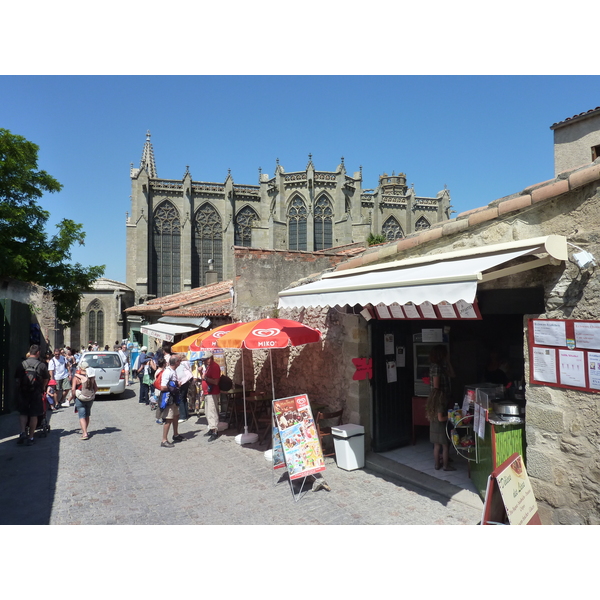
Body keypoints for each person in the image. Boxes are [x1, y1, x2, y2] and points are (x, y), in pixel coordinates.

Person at [426, 344, 456, 472]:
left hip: (444, 398)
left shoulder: (442, 366)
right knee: (444, 442)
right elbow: (437, 386)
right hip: (441, 399)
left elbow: (453, 375)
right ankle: (444, 464)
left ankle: (439, 463)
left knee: (437, 445)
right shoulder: (436, 368)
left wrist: (448, 362)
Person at [15, 344, 50, 446]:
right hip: (36, 392)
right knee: (34, 414)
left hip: (23, 392)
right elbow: (46, 379)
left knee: (23, 412)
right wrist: (42, 388)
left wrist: (20, 389)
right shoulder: (41, 365)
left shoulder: (22, 364)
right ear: (38, 353)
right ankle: (31, 437)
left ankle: (22, 432)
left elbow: (17, 379)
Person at [159, 355, 184, 447]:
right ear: (176, 362)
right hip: (169, 399)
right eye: (179, 361)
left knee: (176, 416)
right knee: (168, 419)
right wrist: (173, 388)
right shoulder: (167, 372)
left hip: (174, 398)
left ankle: (176, 434)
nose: (180, 362)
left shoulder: (173, 371)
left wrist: (177, 386)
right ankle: (164, 440)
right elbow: (163, 387)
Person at [71, 361, 98, 440]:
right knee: (87, 414)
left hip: (80, 398)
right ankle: (85, 430)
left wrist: (73, 397)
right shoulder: (91, 377)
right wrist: (92, 394)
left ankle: (85, 433)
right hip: (90, 398)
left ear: (80, 368)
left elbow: (73, 389)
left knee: (81, 415)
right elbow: (96, 388)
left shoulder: (76, 378)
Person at [201, 352, 221, 442]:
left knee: (212, 412)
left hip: (212, 392)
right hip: (208, 392)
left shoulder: (214, 366)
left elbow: (216, 381)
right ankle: (211, 428)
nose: (203, 361)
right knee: (207, 412)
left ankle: (214, 431)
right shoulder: (208, 367)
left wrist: (205, 378)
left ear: (209, 359)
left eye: (205, 360)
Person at [176, 354, 194, 423]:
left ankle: (183, 416)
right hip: (188, 380)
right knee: (184, 398)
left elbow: (179, 374)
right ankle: (186, 414)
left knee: (181, 398)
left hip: (183, 381)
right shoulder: (187, 363)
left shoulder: (181, 364)